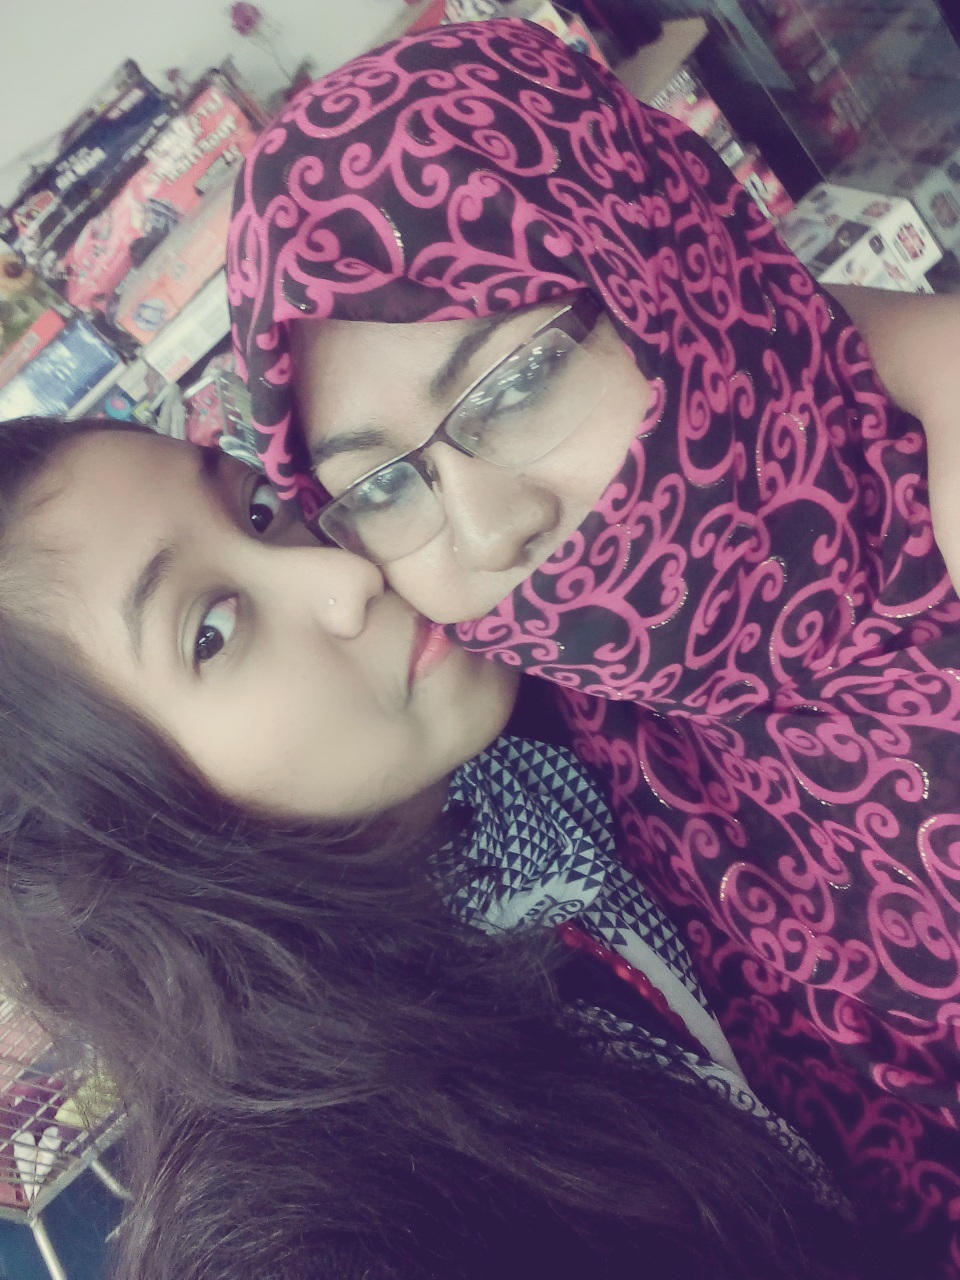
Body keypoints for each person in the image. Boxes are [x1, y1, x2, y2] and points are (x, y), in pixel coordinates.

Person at [226, 16, 960, 1274]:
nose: (489, 526)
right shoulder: (566, 742)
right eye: (384, 486)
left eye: (514, 384)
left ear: (663, 262)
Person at [0, 413, 861, 1279]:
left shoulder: (567, 706)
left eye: (259, 509)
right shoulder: (328, 1216)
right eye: (210, 633)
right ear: (116, 837)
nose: (345, 575)